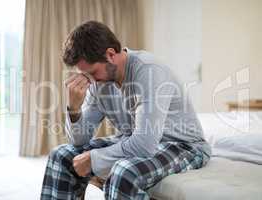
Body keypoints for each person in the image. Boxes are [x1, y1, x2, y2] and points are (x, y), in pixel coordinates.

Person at [41, 20, 211, 200]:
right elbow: (79, 140)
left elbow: (145, 144)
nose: (90, 81)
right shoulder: (99, 83)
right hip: (134, 139)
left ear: (110, 54)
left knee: (124, 173)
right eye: (85, 75)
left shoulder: (148, 71)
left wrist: (94, 159)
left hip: (183, 145)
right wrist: (74, 107)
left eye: (93, 72)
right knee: (61, 156)